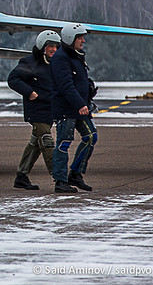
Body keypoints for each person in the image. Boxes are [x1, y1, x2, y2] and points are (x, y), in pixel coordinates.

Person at [7, 30, 60, 190]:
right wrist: (29, 92)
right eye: (50, 46)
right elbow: (13, 79)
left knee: (35, 144)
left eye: (56, 46)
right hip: (36, 110)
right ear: (42, 46)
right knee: (46, 141)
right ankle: (59, 178)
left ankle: (21, 176)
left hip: (50, 110)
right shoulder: (29, 62)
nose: (53, 49)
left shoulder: (55, 63)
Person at [49, 22, 97, 193]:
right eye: (80, 37)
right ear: (71, 38)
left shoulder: (76, 55)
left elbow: (78, 81)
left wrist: (88, 89)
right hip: (66, 109)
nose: (83, 40)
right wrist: (80, 104)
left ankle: (75, 174)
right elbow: (66, 86)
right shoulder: (60, 58)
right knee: (63, 143)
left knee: (91, 137)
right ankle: (60, 181)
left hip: (80, 108)